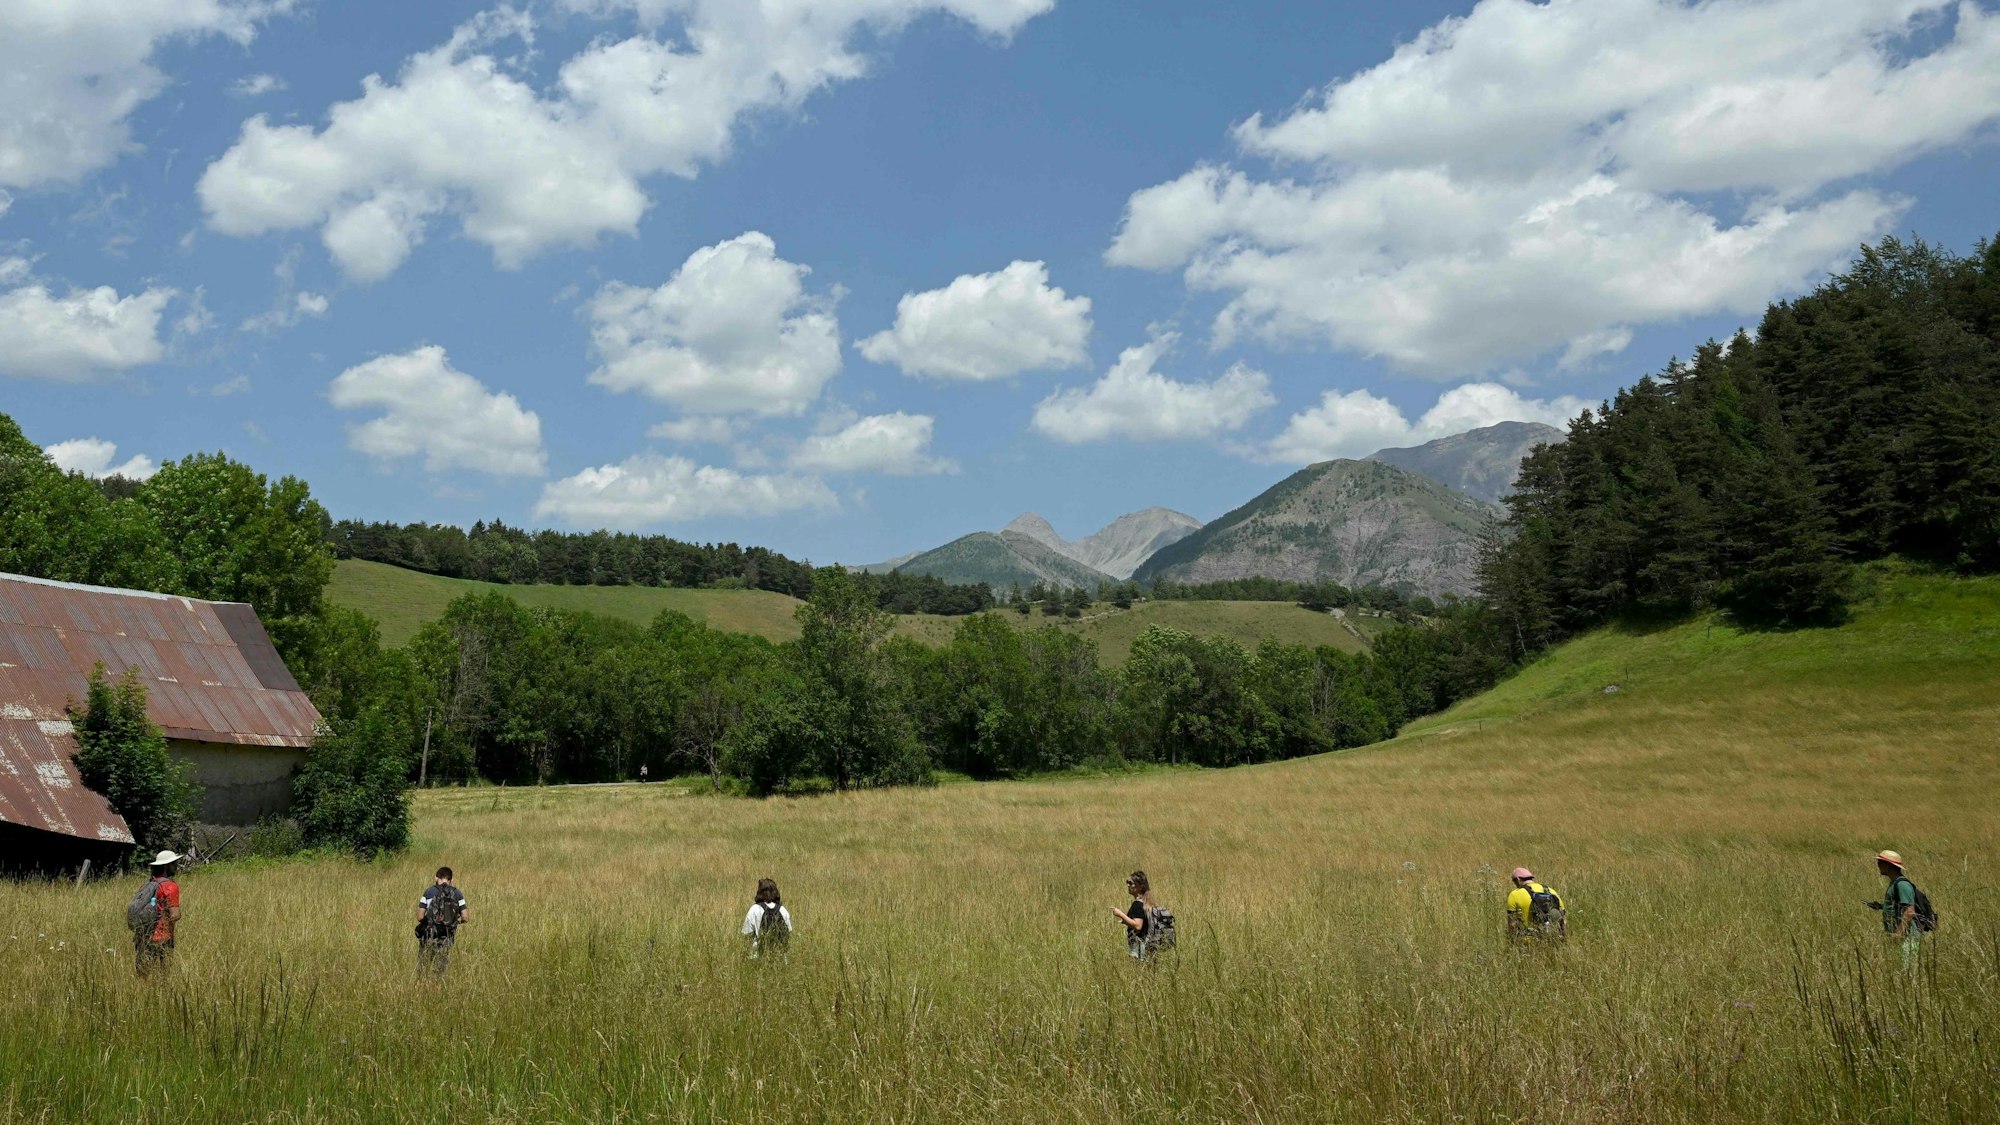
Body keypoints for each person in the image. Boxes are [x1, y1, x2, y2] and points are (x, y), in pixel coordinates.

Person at [1865, 850, 1924, 969]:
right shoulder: (1895, 883)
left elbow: (1909, 911)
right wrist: (1881, 906)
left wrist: (1897, 933)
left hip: (1907, 937)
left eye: (1880, 862)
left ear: (1888, 865)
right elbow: (1900, 906)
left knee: (1906, 970)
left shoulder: (1902, 885)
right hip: (1903, 936)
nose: (1878, 865)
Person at [133, 850, 182, 978]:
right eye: (174, 863)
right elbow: (175, 915)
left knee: (143, 976)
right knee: (163, 977)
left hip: (142, 937)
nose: (176, 865)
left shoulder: (147, 885)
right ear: (166, 866)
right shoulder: (171, 886)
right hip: (163, 938)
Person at [415, 866, 469, 978]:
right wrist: (455, 922)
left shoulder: (429, 892)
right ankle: (438, 988)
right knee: (441, 968)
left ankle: (421, 987)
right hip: (447, 936)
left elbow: (420, 917)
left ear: (436, 877)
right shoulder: (458, 894)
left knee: (423, 966)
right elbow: (465, 917)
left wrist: (429, 921)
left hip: (428, 934)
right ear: (451, 879)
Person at [1505, 867, 1566, 942]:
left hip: (1527, 942)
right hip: (1552, 941)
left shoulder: (1514, 894)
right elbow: (1563, 920)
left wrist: (1511, 941)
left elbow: (1512, 924)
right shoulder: (1551, 891)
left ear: (1517, 880)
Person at [1110, 870, 1159, 960]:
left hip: (1140, 947)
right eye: (1127, 882)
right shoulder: (1147, 902)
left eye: (1130, 883)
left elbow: (1138, 926)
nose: (1128, 885)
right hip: (1150, 946)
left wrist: (1120, 914)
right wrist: (1126, 921)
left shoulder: (1137, 905)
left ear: (1139, 887)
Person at [742, 877, 792, 958]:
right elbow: (788, 933)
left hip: (758, 956)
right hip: (780, 957)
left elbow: (746, 934)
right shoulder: (783, 910)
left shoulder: (754, 909)